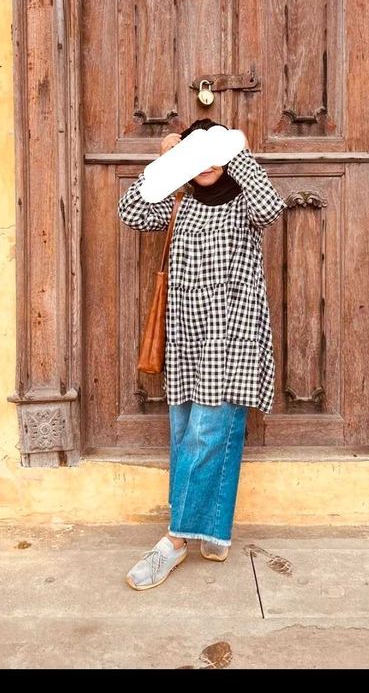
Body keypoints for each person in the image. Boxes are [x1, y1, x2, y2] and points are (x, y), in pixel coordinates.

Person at [117, 118, 287, 590]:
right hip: (186, 337)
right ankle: (213, 528)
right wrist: (166, 161)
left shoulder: (244, 200)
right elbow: (131, 211)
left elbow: (271, 209)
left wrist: (234, 151)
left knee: (207, 433)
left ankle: (173, 541)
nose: (208, 164)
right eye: (199, 154)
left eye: (216, 154)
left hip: (233, 335)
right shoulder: (179, 199)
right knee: (189, 433)